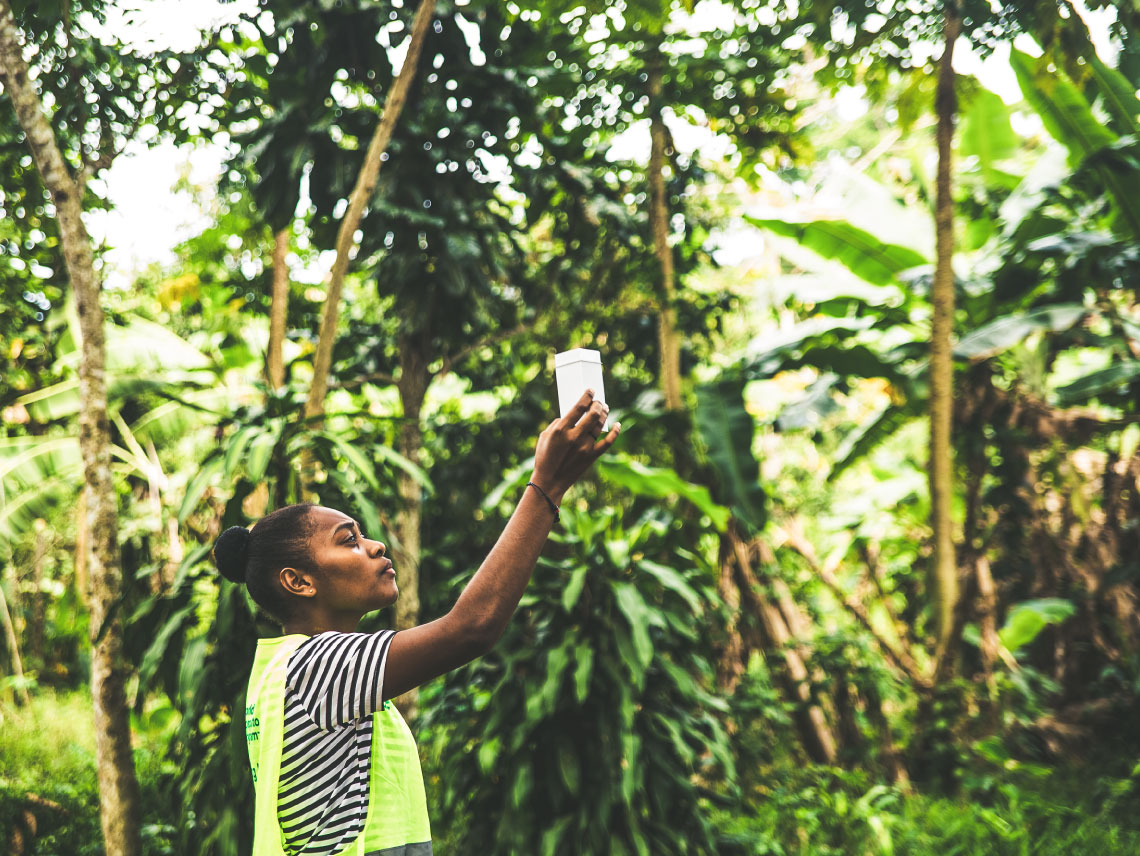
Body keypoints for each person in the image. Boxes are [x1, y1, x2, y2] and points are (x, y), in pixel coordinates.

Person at [212, 390, 618, 856]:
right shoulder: (317, 666)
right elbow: (472, 627)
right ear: (299, 581)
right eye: (348, 541)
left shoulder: (281, 672)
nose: (376, 546)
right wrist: (546, 486)